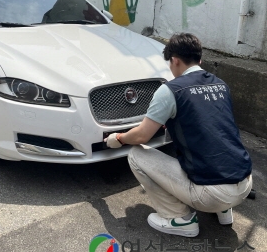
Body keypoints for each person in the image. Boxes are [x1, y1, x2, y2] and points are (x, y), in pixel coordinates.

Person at [104, 33, 252, 237]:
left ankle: (179, 218)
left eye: (170, 64)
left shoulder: (170, 90)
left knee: (136, 155)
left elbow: (141, 136)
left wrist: (119, 138)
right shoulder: (220, 84)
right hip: (244, 184)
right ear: (199, 59)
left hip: (213, 194)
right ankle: (224, 210)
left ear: (174, 60)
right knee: (215, 142)